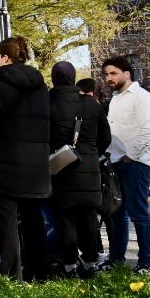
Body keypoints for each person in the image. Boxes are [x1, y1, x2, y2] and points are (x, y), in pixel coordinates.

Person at [0, 36, 52, 281]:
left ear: (5, 58)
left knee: (7, 222)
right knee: (33, 219)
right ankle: (39, 272)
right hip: (36, 165)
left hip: (4, 162)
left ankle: (12, 275)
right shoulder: (39, 86)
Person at [48, 62, 111, 276]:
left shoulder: (49, 103)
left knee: (65, 219)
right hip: (90, 169)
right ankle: (91, 262)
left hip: (61, 169)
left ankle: (69, 265)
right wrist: (92, 154)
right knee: (88, 219)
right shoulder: (91, 104)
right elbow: (106, 137)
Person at [100, 55, 150, 275]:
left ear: (127, 74)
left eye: (113, 73)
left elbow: (148, 132)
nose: (109, 78)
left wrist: (130, 157)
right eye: (106, 74)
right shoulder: (116, 99)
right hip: (116, 162)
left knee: (139, 213)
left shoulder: (142, 97)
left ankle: (147, 263)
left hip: (136, 163)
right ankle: (116, 259)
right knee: (117, 214)